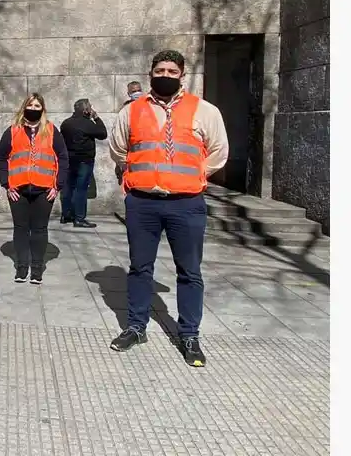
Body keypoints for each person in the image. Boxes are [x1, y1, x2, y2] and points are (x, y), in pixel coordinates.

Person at [106, 50, 229, 367]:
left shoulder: (205, 111)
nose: (165, 74)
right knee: (139, 267)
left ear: (182, 76)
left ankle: (189, 334)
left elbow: (218, 151)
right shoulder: (132, 111)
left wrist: (197, 174)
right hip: (143, 202)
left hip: (186, 203)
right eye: (159, 69)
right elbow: (118, 148)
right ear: (150, 73)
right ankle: (136, 327)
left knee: (189, 271)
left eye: (172, 71)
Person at [0, 93, 68, 285]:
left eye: (37, 106)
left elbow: (63, 157)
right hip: (17, 190)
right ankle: (21, 267)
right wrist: (6, 183)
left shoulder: (52, 130)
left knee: (39, 229)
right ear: (23, 107)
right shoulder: (13, 131)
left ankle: (37, 268)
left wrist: (57, 185)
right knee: (20, 229)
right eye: (30, 105)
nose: (33, 109)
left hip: (44, 190)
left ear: (42, 109)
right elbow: (1, 158)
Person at [59, 98, 107, 228]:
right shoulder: (88, 124)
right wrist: (96, 118)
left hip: (69, 160)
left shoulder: (66, 123)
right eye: (90, 107)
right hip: (84, 161)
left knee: (68, 188)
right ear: (86, 110)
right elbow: (103, 133)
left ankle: (66, 215)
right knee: (81, 189)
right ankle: (79, 218)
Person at [115, 81, 143, 183]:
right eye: (134, 91)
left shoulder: (150, 106)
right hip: (131, 154)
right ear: (129, 94)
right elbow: (119, 137)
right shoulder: (125, 111)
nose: (137, 93)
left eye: (139, 90)